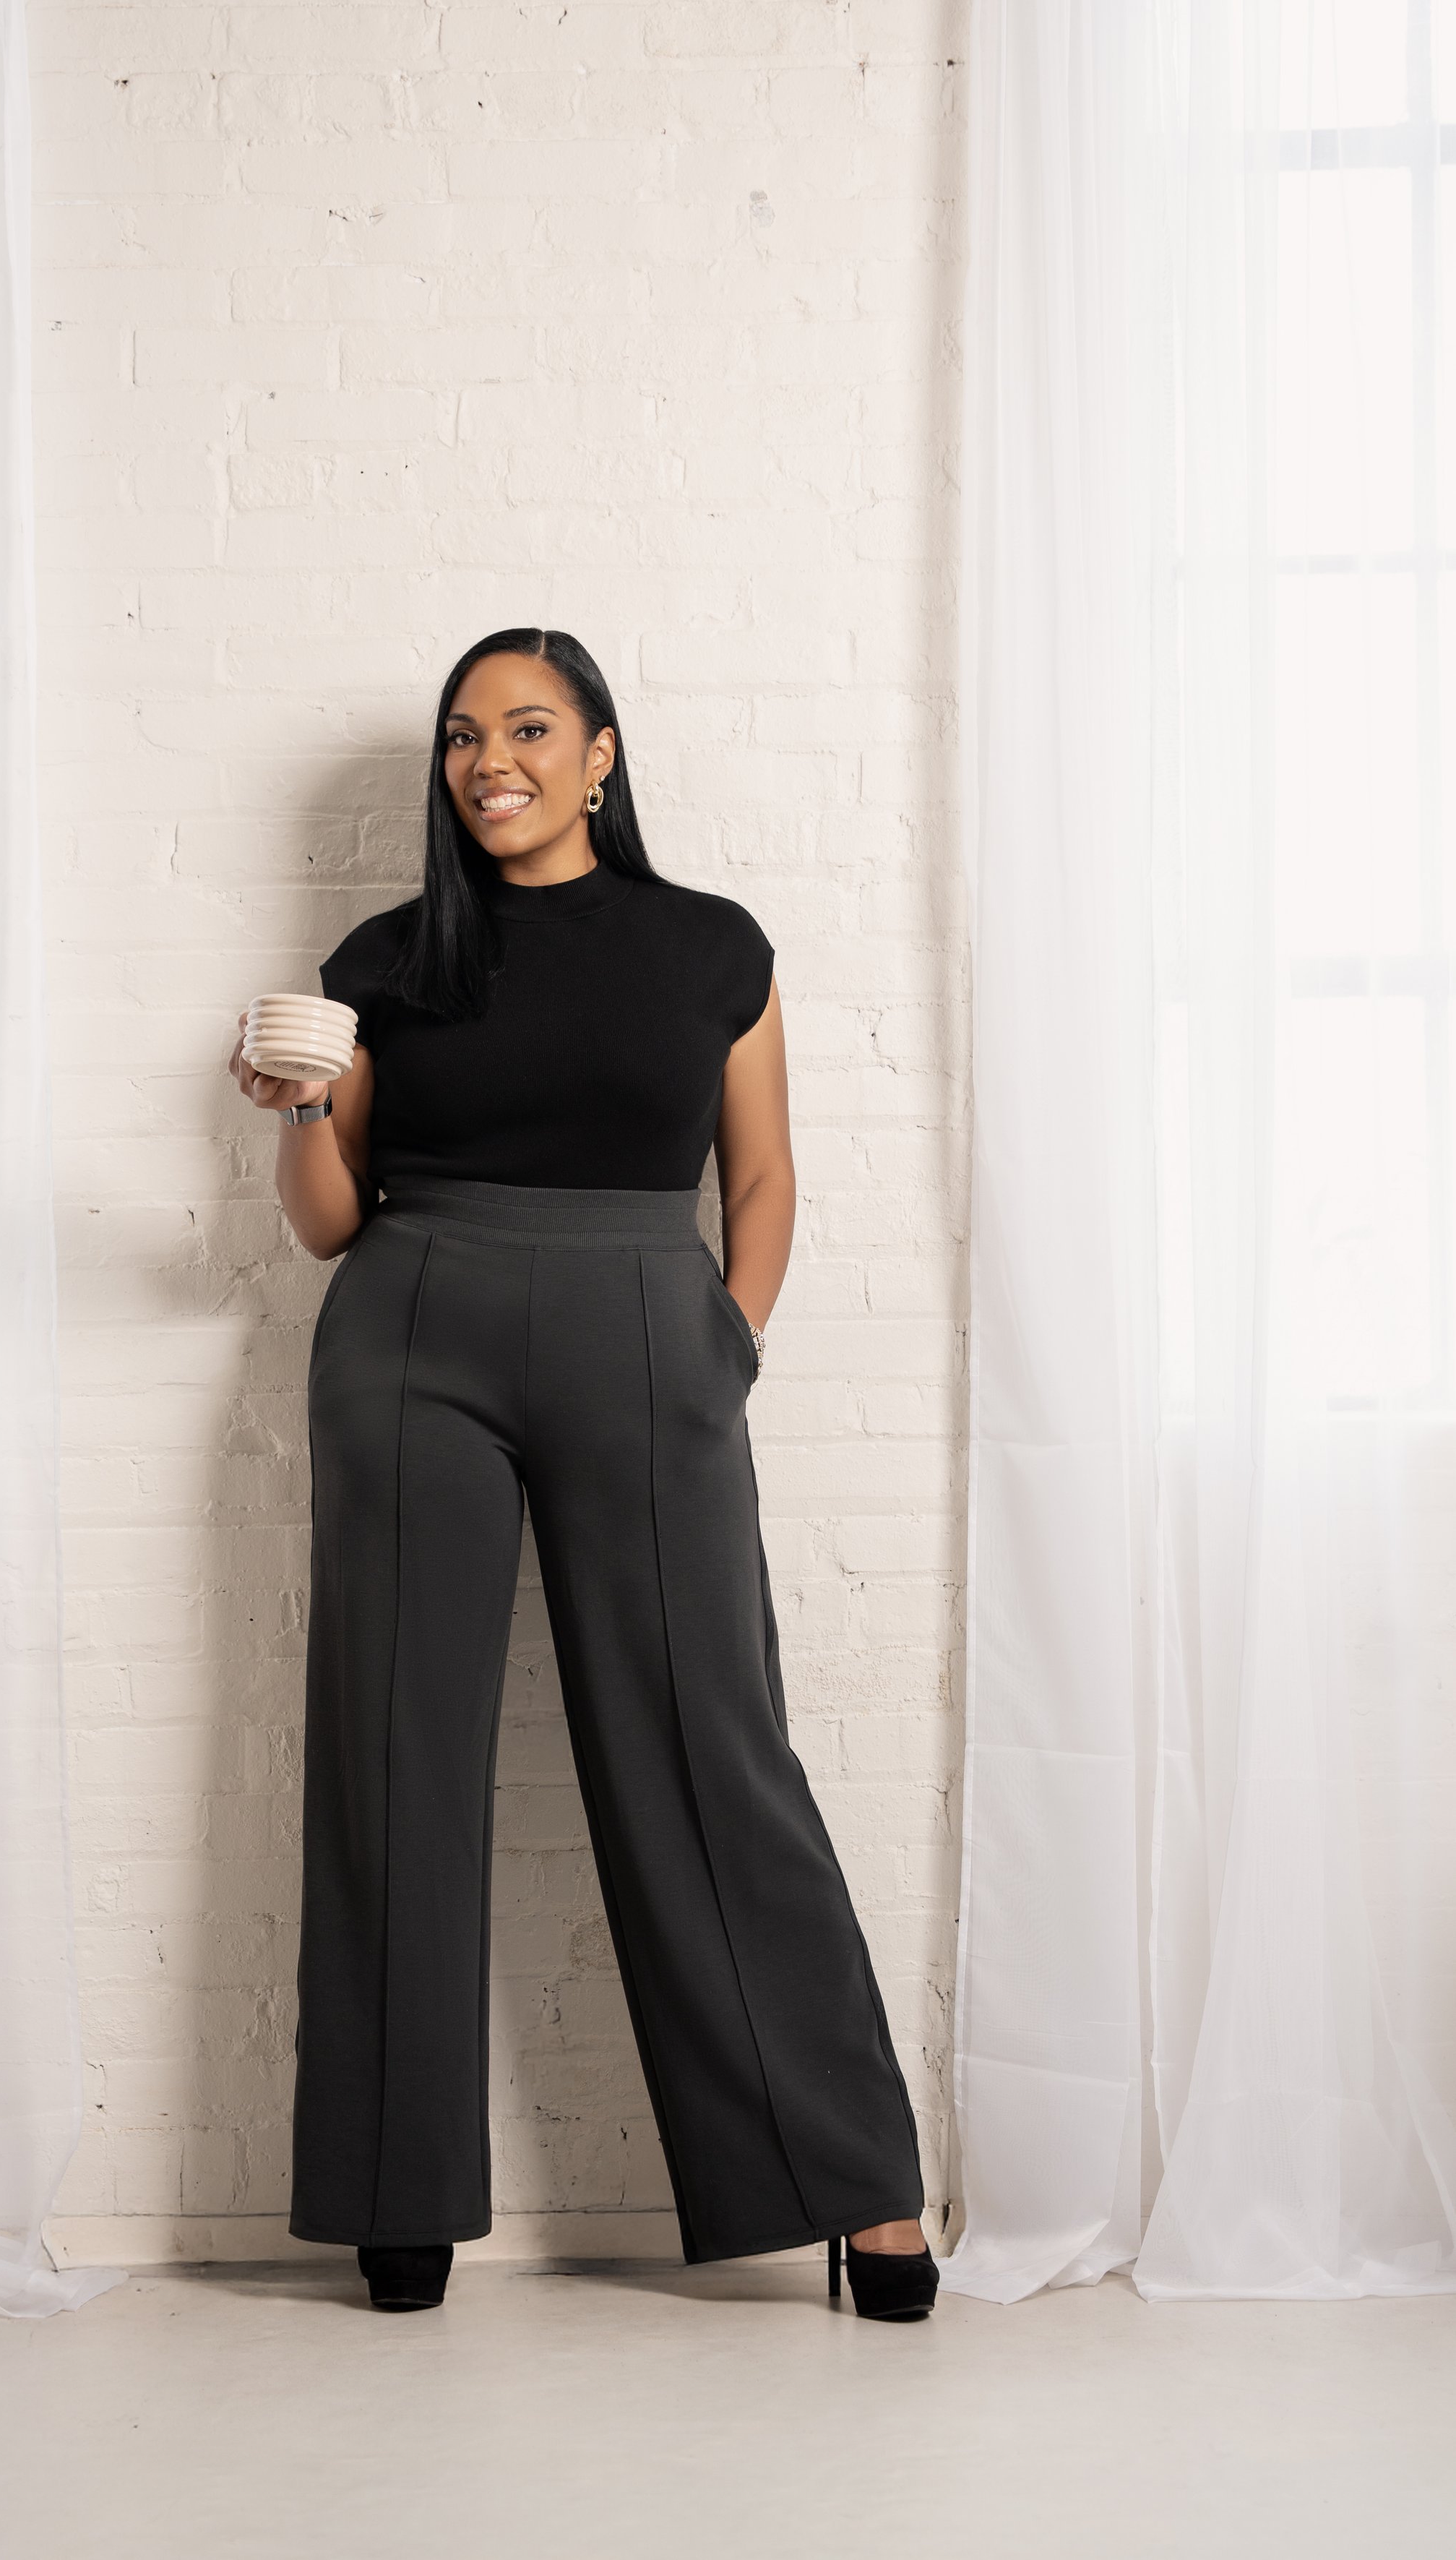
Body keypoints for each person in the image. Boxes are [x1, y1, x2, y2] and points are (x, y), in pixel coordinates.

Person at [230, 629, 937, 2324]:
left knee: (711, 1747)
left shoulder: (712, 950)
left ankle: (858, 2190)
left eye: (531, 729)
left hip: (644, 1332)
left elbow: (757, 1181)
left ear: (601, 753)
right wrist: (293, 1112)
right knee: (395, 1756)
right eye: (465, 737)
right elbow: (327, 1222)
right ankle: (396, 2194)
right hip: (413, 1335)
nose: (493, 761)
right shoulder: (387, 958)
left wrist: (724, 1349)